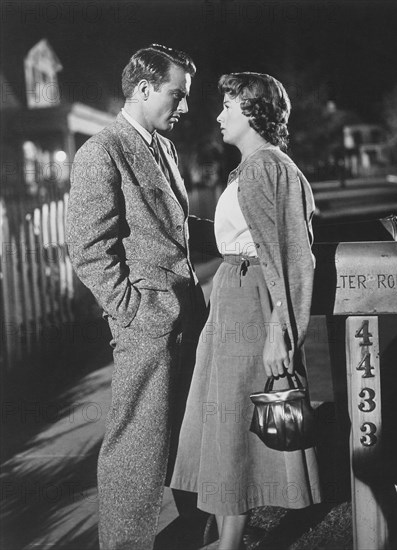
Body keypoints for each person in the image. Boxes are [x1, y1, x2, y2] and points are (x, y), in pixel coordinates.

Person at [66, 45, 217, 550]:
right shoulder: (100, 151)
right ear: (144, 89)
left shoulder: (163, 147)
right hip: (148, 328)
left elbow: (175, 228)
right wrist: (137, 312)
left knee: (186, 441)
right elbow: (89, 250)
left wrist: (239, 234)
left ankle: (192, 535)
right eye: (179, 94)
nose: (187, 107)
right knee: (135, 453)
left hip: (186, 317)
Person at [170, 72, 322, 550]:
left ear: (254, 111)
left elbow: (292, 254)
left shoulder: (266, 167)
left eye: (229, 107)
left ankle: (230, 542)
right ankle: (227, 538)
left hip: (251, 300)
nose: (219, 115)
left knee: (235, 420)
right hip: (233, 297)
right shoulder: (253, 166)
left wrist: (282, 328)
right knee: (226, 421)